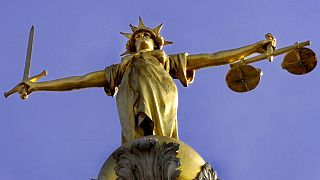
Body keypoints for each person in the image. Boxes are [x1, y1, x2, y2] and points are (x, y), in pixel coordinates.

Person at [16, 18, 275, 144]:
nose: (140, 37)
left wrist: (254, 48)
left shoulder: (166, 60)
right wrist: (38, 86)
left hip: (161, 93)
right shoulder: (120, 69)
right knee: (135, 144)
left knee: (162, 143)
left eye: (145, 35)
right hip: (128, 96)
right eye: (137, 36)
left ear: (155, 42)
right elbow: (80, 81)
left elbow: (214, 57)